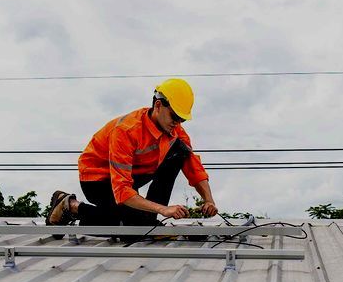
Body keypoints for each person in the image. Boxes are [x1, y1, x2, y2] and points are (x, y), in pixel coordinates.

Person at [51, 78, 218, 229]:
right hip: (98, 180)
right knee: (133, 228)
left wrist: (208, 200)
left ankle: (147, 221)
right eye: (174, 116)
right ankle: (70, 205)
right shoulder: (127, 131)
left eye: (182, 119)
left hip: (130, 178)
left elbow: (194, 168)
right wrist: (163, 209)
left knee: (180, 150)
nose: (177, 123)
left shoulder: (174, 131)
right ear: (158, 105)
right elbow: (122, 189)